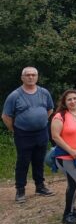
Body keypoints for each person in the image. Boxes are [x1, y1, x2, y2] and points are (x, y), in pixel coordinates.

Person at [3, 67, 55, 204]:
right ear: (22, 77)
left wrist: (41, 121)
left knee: (39, 160)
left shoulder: (44, 93)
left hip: (41, 132)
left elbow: (50, 109)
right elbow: (6, 116)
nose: (31, 77)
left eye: (33, 75)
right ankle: (20, 190)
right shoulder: (15, 95)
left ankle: (40, 186)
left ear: (37, 77)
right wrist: (14, 130)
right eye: (28, 75)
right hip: (23, 134)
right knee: (23, 162)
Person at [50, 89, 76, 224]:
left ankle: (72, 209)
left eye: (75, 98)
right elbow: (55, 136)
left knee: (74, 184)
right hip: (65, 157)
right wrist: (70, 150)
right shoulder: (59, 116)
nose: (73, 101)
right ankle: (67, 215)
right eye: (69, 99)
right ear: (64, 102)